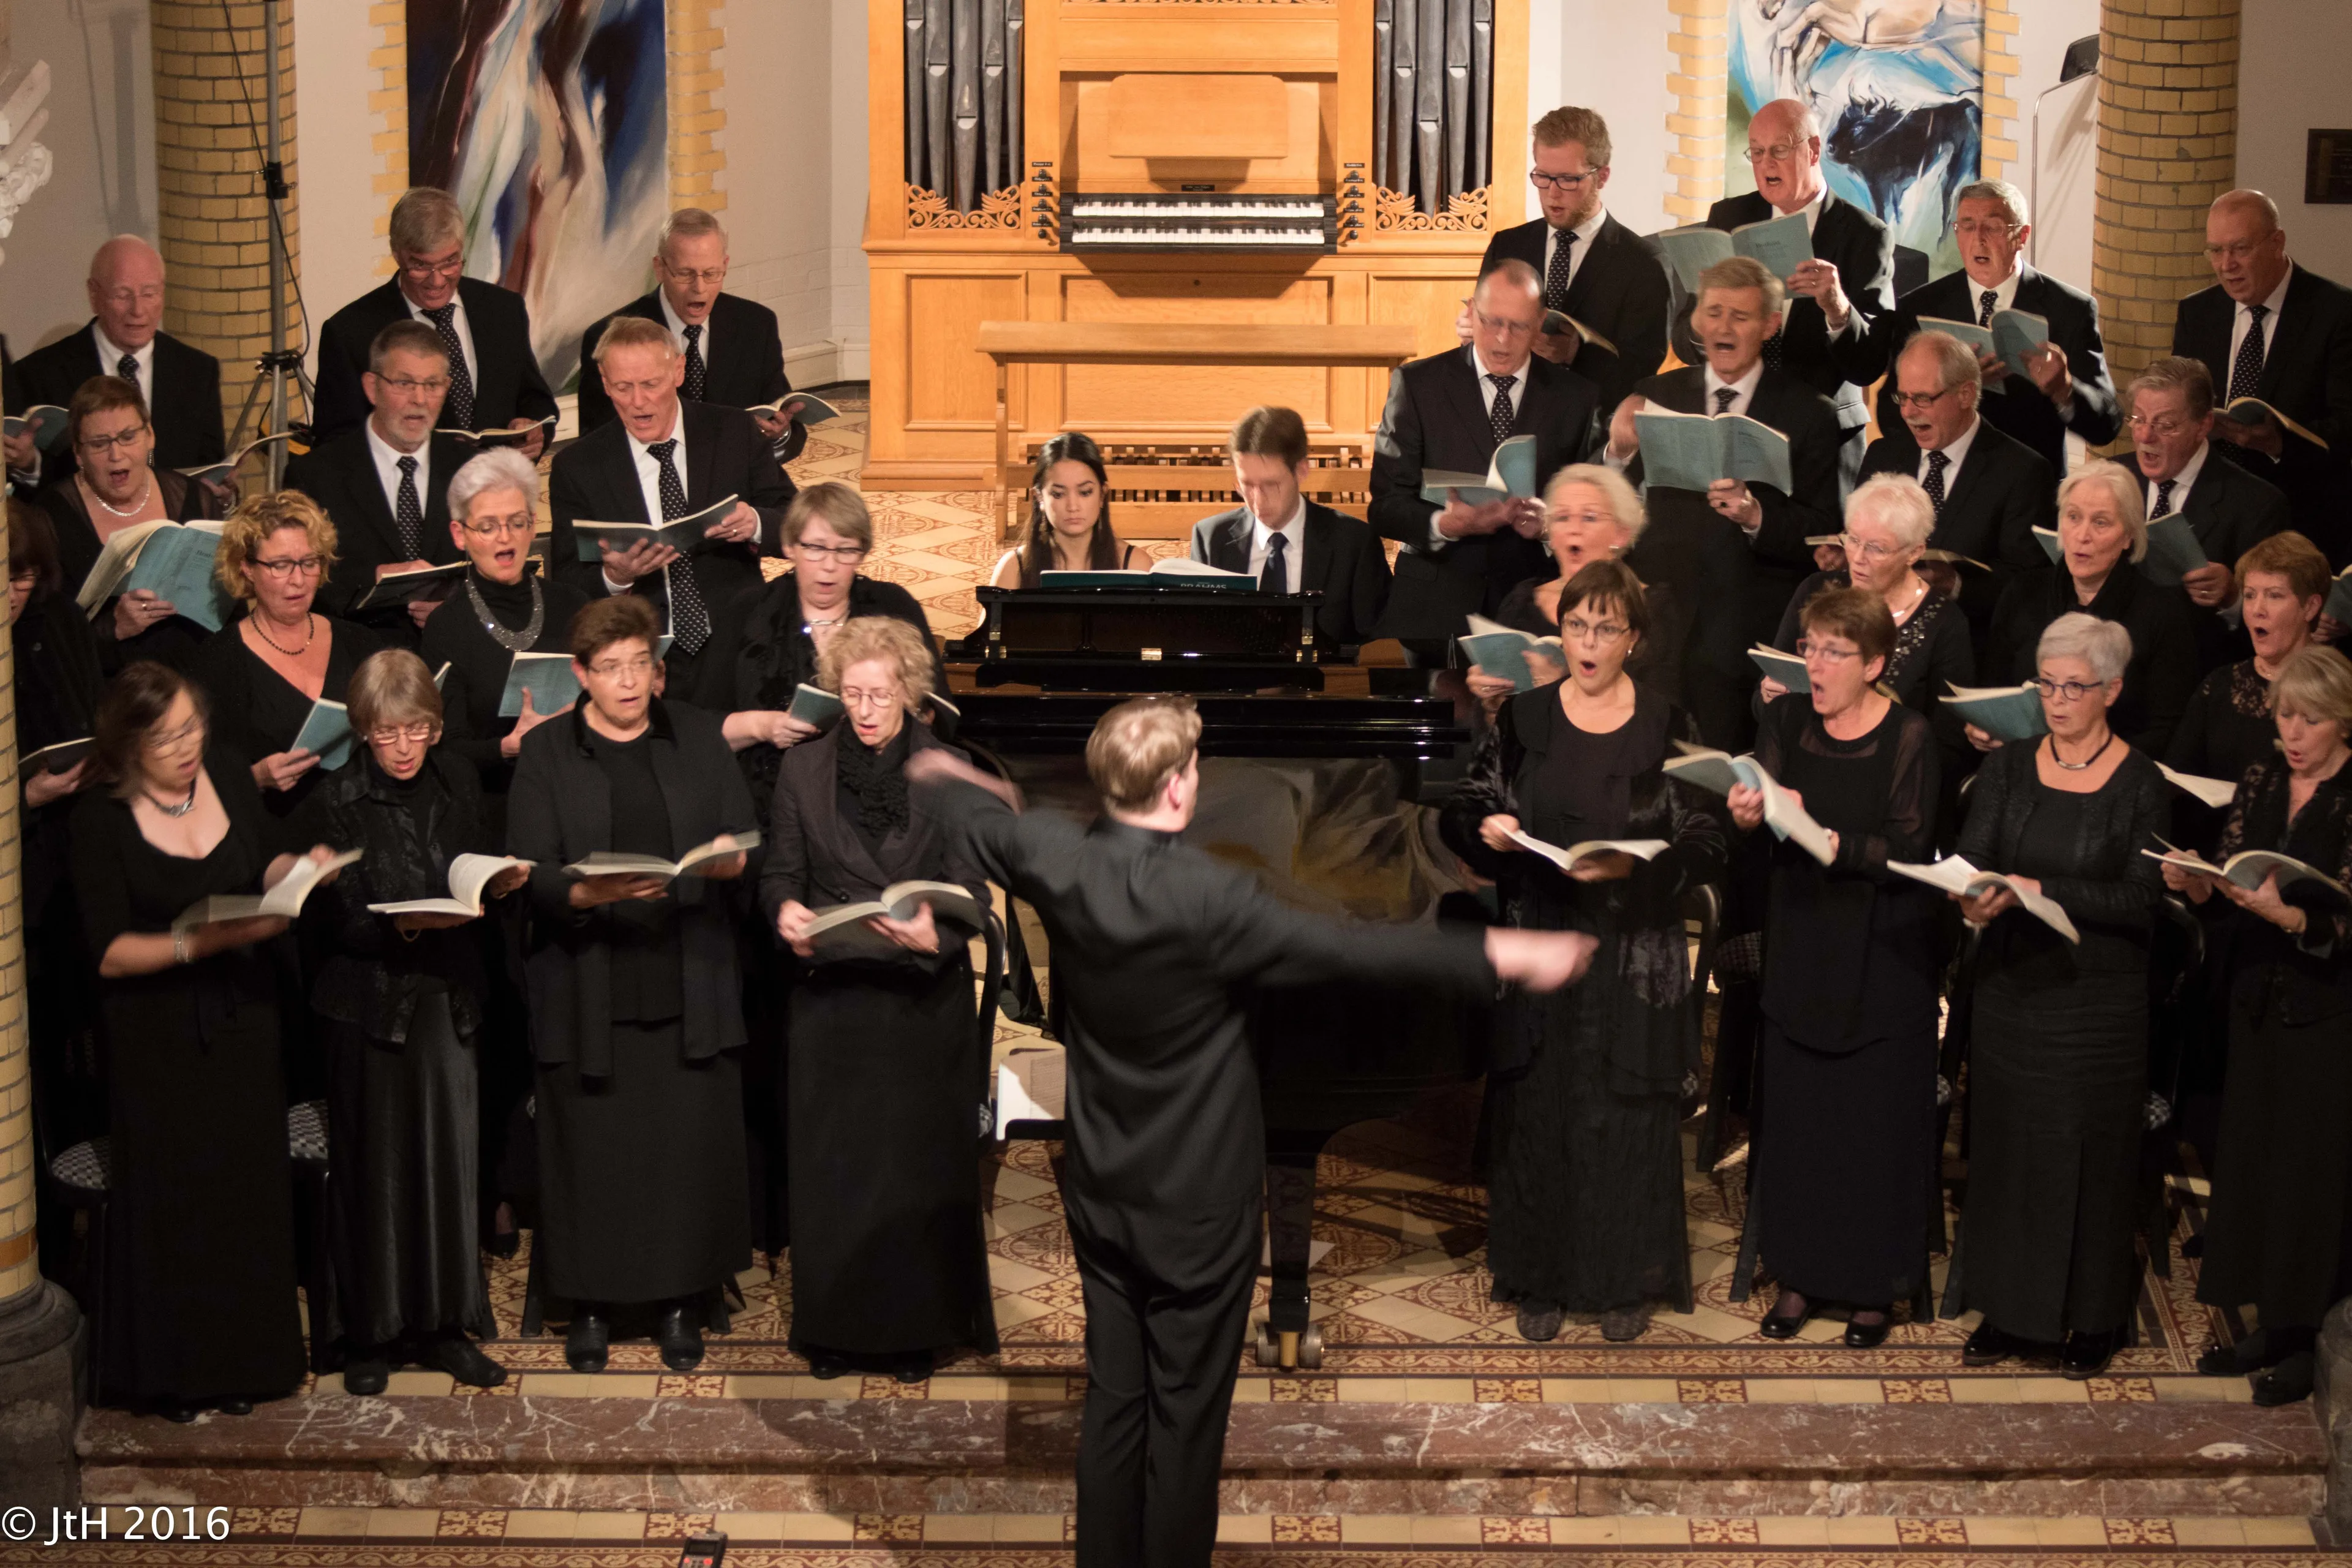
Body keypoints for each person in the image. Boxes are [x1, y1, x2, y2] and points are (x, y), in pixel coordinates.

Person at [903, 695, 1598, 1568]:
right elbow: (1353, 947)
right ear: (1177, 788)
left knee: (1116, 1402)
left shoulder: (1055, 856)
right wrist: (1504, 954)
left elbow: (976, 816)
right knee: (1186, 1422)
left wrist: (945, 772)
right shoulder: (1214, 896)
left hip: (1103, 1189)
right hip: (1200, 1207)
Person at [1443, 560, 1724, 1343]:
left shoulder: (1668, 722)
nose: (1590, 642)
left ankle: (1624, 1280)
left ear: (1633, 638)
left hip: (1634, 949)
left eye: (1607, 628)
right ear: (1560, 630)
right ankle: (1542, 1275)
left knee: (1626, 1114)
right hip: (1544, 937)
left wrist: (1640, 862)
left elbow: (1704, 838)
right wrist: (1487, 830)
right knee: (1543, 1109)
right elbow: (1468, 806)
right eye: (1577, 625)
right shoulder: (1526, 718)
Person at [71, 662, 341, 1419]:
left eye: (193, 725)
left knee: (243, 1194)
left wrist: (299, 870)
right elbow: (109, 951)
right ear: (128, 745)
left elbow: (263, 857)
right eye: (166, 737)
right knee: (177, 1201)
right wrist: (205, 942)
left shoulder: (224, 771)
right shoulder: (99, 818)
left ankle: (250, 1365)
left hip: (244, 1020)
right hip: (155, 1036)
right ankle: (175, 1375)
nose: (187, 745)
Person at [507, 594, 755, 1375]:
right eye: (609, 669)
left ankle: (682, 1297)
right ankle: (590, 1305)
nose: (626, 682)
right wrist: (586, 894)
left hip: (687, 971)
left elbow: (743, 838)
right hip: (590, 978)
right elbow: (529, 869)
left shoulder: (698, 741)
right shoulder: (549, 751)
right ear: (581, 674)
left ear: (657, 667)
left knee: (681, 1148)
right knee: (594, 1150)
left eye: (639, 665)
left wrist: (725, 857)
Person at [696, 483, 945, 1257]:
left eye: (844, 549)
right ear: (788, 547)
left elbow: (935, 712)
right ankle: (781, 1211)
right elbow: (699, 728)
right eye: (812, 547)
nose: (828, 564)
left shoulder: (894, 607)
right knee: (776, 1025)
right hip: (774, 829)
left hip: (878, 835)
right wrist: (763, 725)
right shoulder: (752, 611)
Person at [764, 617, 995, 1381]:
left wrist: (942, 933)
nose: (865, 710)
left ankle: (915, 1330)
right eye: (852, 694)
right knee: (837, 1174)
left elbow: (972, 889)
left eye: (880, 694)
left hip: (919, 1003)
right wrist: (786, 917)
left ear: (910, 691)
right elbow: (779, 876)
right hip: (834, 1002)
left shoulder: (949, 767)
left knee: (914, 1170)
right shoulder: (803, 770)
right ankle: (834, 1328)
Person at [290, 650, 521, 1395]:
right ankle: (369, 1333)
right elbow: (336, 921)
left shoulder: (455, 778)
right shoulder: (336, 799)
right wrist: (407, 925)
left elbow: (469, 869)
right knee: (374, 1169)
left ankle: (444, 1324)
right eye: (387, 734)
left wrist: (500, 884)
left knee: (448, 1164)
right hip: (365, 1006)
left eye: (416, 730)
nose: (403, 747)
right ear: (363, 731)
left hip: (448, 997)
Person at [1942, 614, 2167, 1378]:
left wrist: (2040, 887)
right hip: (2013, 986)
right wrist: (1971, 895)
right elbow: (1976, 855)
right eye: (2048, 684)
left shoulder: (2140, 782)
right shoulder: (2009, 769)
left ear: (2112, 690)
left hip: (2096, 1001)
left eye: (2075, 686)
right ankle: (2009, 1310)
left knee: (2087, 1158)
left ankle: (2091, 1319)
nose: (2059, 699)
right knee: (2007, 1148)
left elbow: (2140, 899)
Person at [1731, 588, 1941, 1348]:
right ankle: (1799, 1275)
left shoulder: (1911, 736)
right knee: (1802, 1122)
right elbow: (1762, 832)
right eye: (1809, 647)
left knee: (1869, 1128)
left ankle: (1871, 1289)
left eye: (1831, 651)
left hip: (1882, 955)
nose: (1813, 663)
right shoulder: (1784, 719)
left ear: (1875, 664)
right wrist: (1754, 816)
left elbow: (1910, 850)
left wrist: (1828, 840)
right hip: (1805, 942)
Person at [2165, 646, 2352, 1406]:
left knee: (2313, 1174)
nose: (2294, 731)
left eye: (2310, 718)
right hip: (2252, 996)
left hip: (2326, 1004)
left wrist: (2299, 917)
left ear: (2344, 720)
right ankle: (2268, 1324)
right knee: (2255, 1157)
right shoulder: (2264, 776)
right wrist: (2199, 883)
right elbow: (2235, 864)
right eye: (2285, 715)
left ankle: (2310, 1335)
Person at [1607, 254, 1844, 744]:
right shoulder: (1656, 394)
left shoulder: (1809, 413)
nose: (1724, 327)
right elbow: (1612, 502)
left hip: (1745, 635)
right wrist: (1617, 451)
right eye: (1714, 312)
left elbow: (1823, 530)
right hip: (1659, 629)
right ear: (1696, 320)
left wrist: (1757, 516)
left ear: (1770, 325)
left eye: (1740, 316)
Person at [546, 315, 796, 695]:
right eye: (623, 387)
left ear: (678, 370)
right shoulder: (578, 467)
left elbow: (796, 522)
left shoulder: (733, 432)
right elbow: (567, 580)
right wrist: (617, 578)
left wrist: (757, 523)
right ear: (604, 383)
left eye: (651, 384)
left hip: (737, 640)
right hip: (642, 662)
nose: (638, 402)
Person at [1368, 259, 1599, 658]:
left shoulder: (1575, 397)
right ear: (1471, 311)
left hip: (1534, 608)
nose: (1502, 341)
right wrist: (1444, 524)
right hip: (1434, 610)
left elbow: (1591, 508)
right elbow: (1385, 506)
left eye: (1519, 326)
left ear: (1541, 322)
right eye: (1491, 322)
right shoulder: (1417, 384)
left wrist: (1550, 526)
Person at [1837, 179, 2120, 483]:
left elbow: (2106, 426)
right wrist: (1953, 394)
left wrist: (2064, 390)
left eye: (1993, 227)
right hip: (1943, 485)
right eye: (1967, 227)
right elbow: (1890, 416)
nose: (1978, 240)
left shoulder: (2069, 309)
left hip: (2030, 488)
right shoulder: (1922, 307)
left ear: (2022, 235)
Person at [1678, 97, 1893, 485]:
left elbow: (1869, 365)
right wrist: (1705, 313)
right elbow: (1684, 341)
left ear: (1812, 150)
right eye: (1757, 153)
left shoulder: (1865, 235)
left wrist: (1837, 309)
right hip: (1737, 422)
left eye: (1778, 150)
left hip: (1821, 433)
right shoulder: (1728, 218)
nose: (1766, 164)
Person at [2169, 190, 2352, 562]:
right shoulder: (2197, 312)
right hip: (2211, 519)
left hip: (2300, 522)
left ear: (2277, 243)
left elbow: (2347, 428)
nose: (2226, 265)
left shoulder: (2337, 313)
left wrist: (2278, 444)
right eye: (2216, 251)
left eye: (2240, 249)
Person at [184, 491, 385, 820]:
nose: (298, 580)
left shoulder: (360, 642)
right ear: (247, 568)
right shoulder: (217, 664)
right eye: (280, 565)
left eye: (309, 563)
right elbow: (194, 784)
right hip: (274, 831)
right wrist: (256, 779)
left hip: (367, 821)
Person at [10, 500, 108, 1161]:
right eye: (2, 576)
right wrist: (23, 795)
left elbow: (93, 712)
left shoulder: (60, 623)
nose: (13, 592)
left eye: (24, 576)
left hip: (75, 849)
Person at [309, 187, 557, 449]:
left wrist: (535, 430)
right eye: (421, 266)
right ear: (397, 255)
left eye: (450, 262)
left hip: (499, 483)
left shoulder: (503, 309)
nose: (437, 280)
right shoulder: (350, 333)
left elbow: (536, 399)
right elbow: (336, 442)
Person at [1983, 461, 2199, 758]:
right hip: (2023, 763)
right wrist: (1984, 726)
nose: (2082, 535)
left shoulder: (2161, 612)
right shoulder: (2023, 592)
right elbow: (1992, 691)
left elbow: (2166, 731)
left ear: (2128, 537)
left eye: (2101, 522)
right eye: (2073, 517)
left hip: (2115, 777)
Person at [1468, 106, 1673, 412]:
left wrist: (1576, 355)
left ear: (1602, 177)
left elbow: (1640, 373)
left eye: (1568, 180)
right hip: (1506, 416)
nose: (1552, 194)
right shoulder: (1508, 245)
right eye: (1542, 177)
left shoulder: (1643, 262)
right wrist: (1475, 332)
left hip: (1590, 430)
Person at [1853, 331, 2056, 640]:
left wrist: (1956, 586)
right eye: (1903, 397)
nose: (1908, 412)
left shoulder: (2022, 472)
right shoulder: (1884, 455)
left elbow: (2027, 589)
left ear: (1965, 394)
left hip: (1966, 649)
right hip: (1876, 637)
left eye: (1922, 398)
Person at [281, 320, 472, 647]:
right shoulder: (315, 475)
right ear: (372, 387)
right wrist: (373, 579)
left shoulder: (470, 469)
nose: (420, 399)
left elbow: (496, 571)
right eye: (404, 383)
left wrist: (458, 608)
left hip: (454, 660)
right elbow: (292, 582)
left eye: (433, 385)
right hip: (356, 663)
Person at [423, 449, 593, 816]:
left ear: (533, 524)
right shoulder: (446, 628)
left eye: (517, 523)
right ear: (459, 534)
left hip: (580, 790)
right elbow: (445, 748)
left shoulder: (572, 604)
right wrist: (507, 746)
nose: (505, 538)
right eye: (487, 527)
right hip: (496, 803)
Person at [1762, 476, 1974, 769]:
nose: (1858, 558)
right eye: (1853, 540)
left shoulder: (1944, 623)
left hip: (1887, 782)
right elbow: (1767, 701)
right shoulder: (1816, 591)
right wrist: (1768, 695)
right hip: (1803, 764)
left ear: (1914, 552)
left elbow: (1947, 746)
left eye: (1876, 548)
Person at [576, 207, 807, 462]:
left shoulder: (756, 325)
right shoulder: (609, 339)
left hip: (736, 483)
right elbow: (594, 444)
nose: (699, 288)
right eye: (685, 274)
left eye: (711, 274)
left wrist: (779, 434)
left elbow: (788, 430)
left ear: (725, 265)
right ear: (660, 268)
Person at [34, 376, 222, 673]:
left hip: (195, 673)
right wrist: (114, 627)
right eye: (99, 444)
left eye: (128, 437)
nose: (116, 455)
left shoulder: (197, 498)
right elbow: (46, 639)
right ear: (78, 454)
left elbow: (229, 603)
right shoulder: (51, 516)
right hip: (107, 684)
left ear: (150, 436)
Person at [1466, 464, 1687, 712]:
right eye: (1562, 517)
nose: (1573, 529)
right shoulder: (1522, 601)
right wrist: (1491, 703)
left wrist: (1563, 690)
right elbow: (1497, 732)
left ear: (1621, 535)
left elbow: (1657, 715)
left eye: (1589, 518)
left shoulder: (1650, 608)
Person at [10, 235, 224, 485]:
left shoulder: (197, 371)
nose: (138, 310)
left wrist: (223, 496)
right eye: (123, 295)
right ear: (94, 294)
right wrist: (28, 464)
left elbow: (211, 469)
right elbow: (36, 498)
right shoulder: (39, 374)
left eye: (149, 294)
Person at [2123, 356, 2292, 671]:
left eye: (2165, 425)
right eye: (2138, 419)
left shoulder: (2258, 505)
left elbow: (2278, 632)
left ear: (2204, 425)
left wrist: (2232, 599)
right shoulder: (2114, 478)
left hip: (2198, 675)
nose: (2145, 436)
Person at [1185, 405, 1390, 650]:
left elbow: (1379, 648)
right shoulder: (1210, 539)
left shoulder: (1354, 542)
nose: (1258, 501)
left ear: (1302, 470)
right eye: (1246, 485)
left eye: (1272, 485)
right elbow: (1196, 638)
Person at [2169, 531, 2331, 799]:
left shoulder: (2337, 690)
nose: (2258, 609)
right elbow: (2176, 779)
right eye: (2251, 595)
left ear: (2310, 607)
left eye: (2274, 596)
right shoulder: (2219, 686)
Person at [990, 432, 1146, 586]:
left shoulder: (1135, 565)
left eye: (1085, 493)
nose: (1073, 507)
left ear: (1102, 495)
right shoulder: (1014, 569)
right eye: (1058, 494)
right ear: (1039, 497)